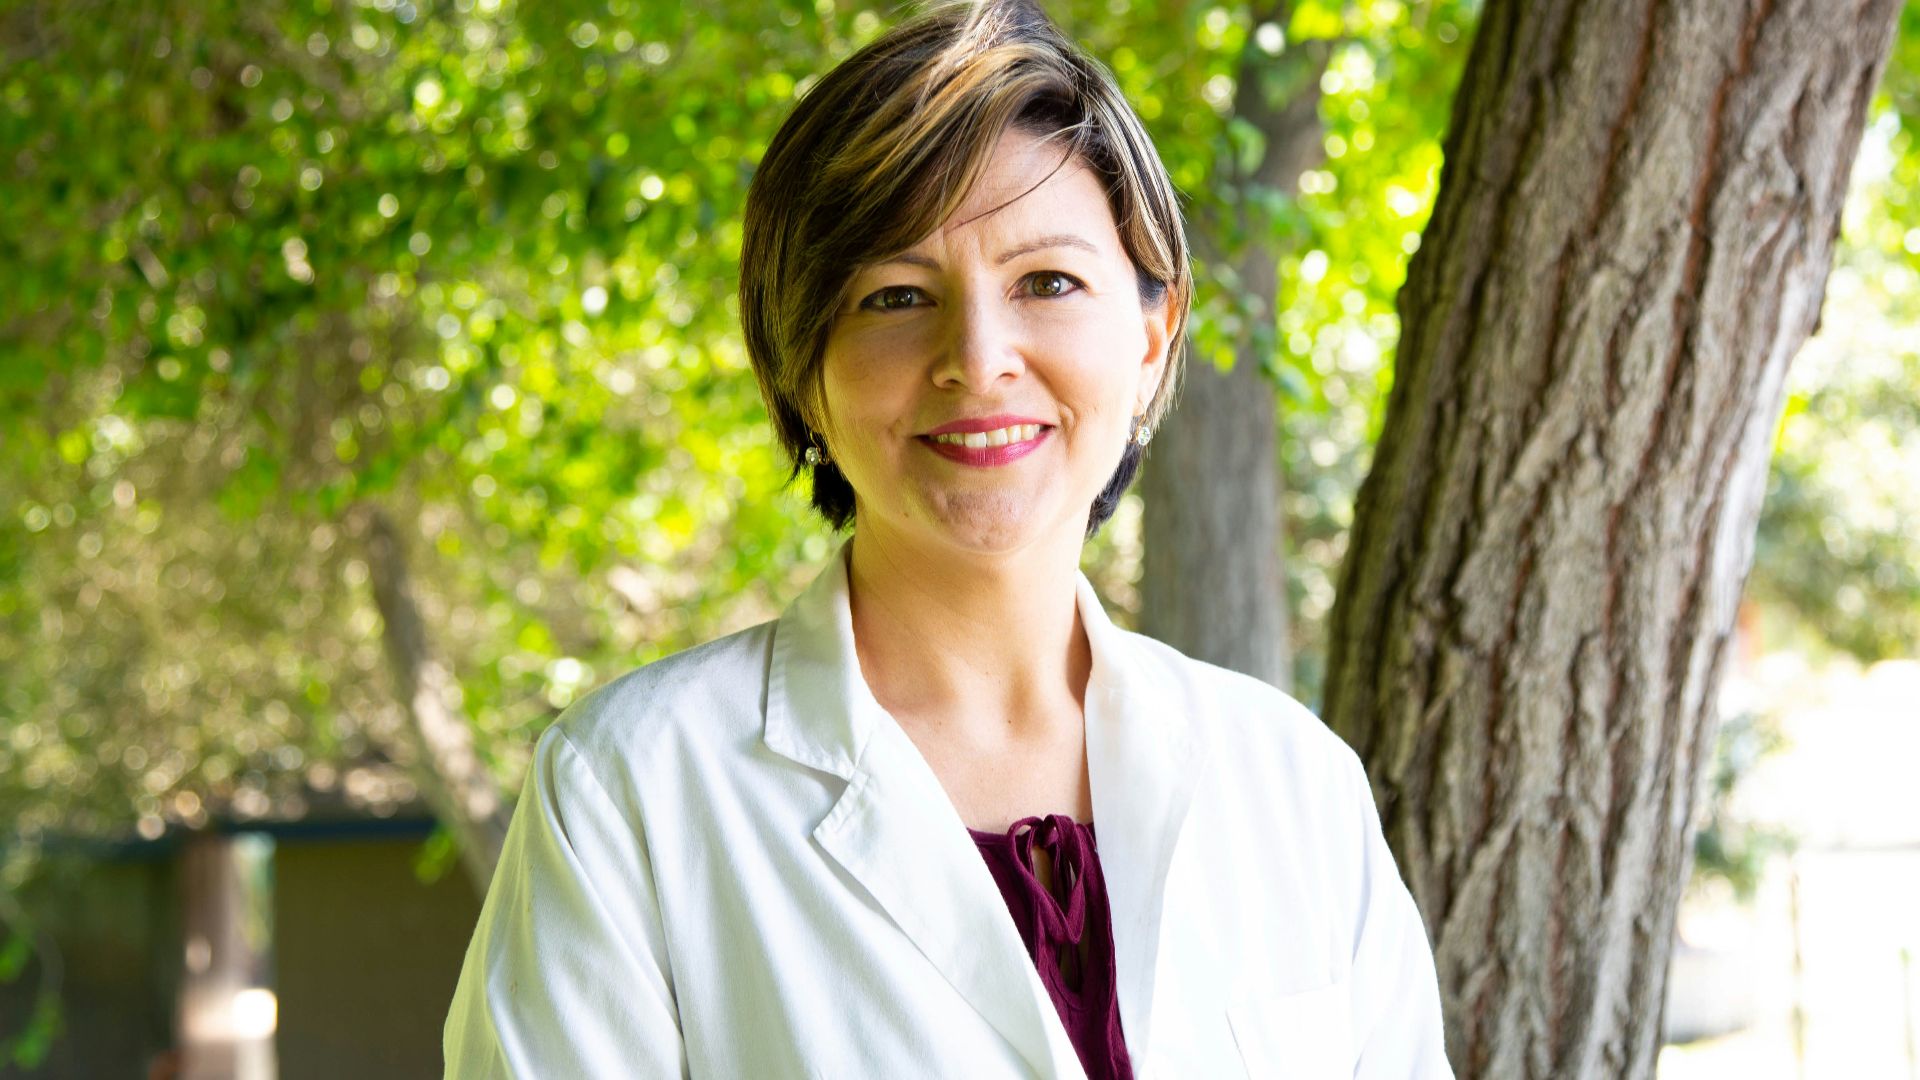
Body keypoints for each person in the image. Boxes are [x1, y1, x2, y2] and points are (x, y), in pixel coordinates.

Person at [443, 1, 1450, 1076]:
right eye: (895, 296)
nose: (977, 357)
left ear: (1153, 340)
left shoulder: (1293, 784)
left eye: (1047, 283)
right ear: (802, 370)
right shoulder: (632, 792)